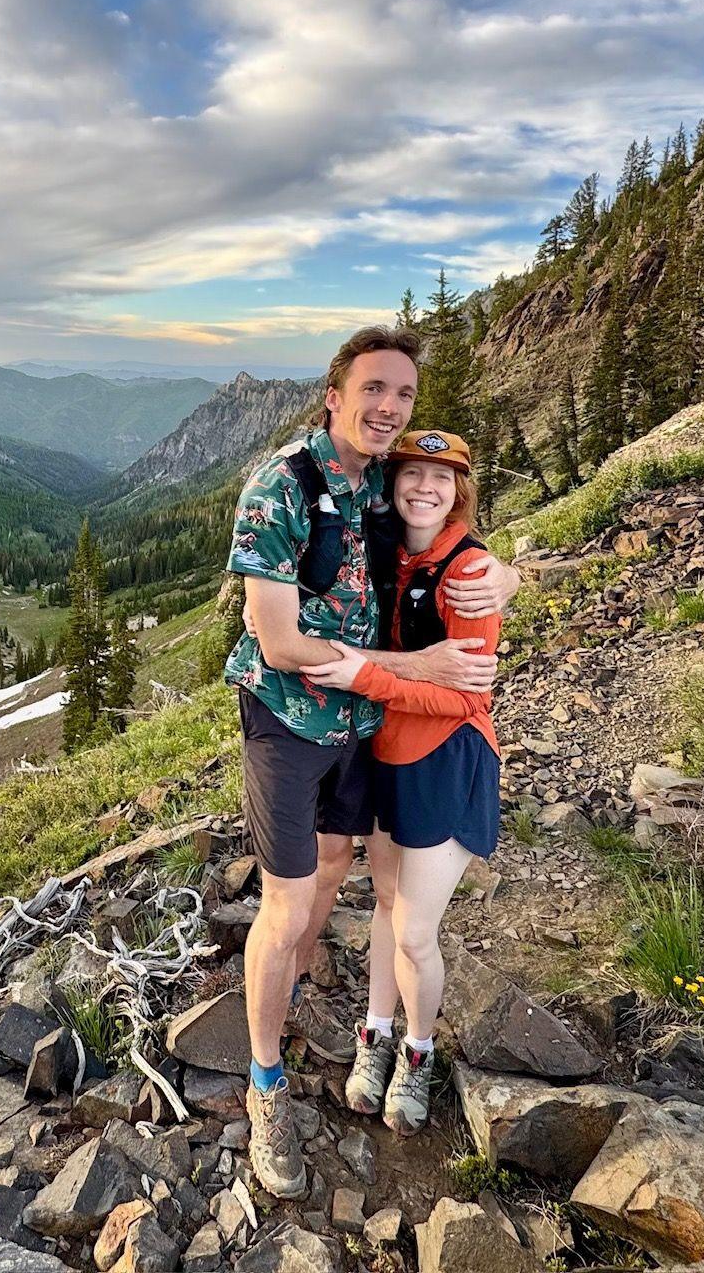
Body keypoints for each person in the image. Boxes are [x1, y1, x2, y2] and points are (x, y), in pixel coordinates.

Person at [224, 328, 520, 1200]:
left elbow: (448, 533)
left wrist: (511, 574)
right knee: (284, 906)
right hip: (288, 725)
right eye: (374, 389)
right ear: (334, 393)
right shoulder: (283, 486)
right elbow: (277, 642)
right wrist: (420, 669)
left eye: (402, 394)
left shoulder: (382, 492)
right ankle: (266, 1080)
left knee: (332, 874)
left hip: (359, 727)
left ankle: (307, 995)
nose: (388, 407)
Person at [302, 429, 502, 1138]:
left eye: (442, 478)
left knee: (415, 929)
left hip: (445, 760)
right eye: (414, 473)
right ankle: (375, 1034)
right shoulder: (398, 551)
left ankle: (418, 1055)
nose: (426, 487)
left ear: (460, 492)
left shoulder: (469, 573)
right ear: (394, 485)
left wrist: (365, 676)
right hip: (387, 756)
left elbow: (467, 697)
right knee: (386, 908)